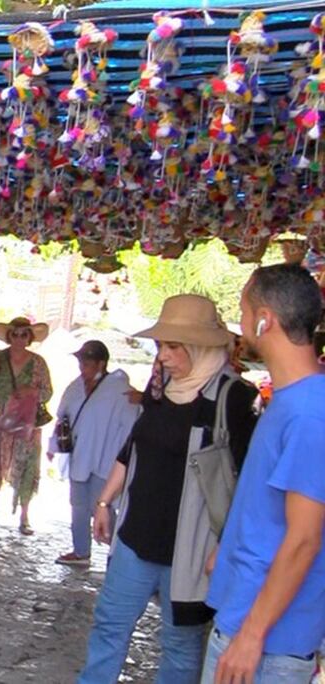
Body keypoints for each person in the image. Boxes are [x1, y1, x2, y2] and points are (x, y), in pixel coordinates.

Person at [78, 294, 259, 684]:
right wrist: (105, 502)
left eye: (174, 346)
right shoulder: (159, 388)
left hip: (192, 551)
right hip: (135, 538)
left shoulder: (233, 398)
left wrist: (226, 547)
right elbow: (132, 447)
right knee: (109, 628)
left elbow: (249, 483)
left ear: (203, 347)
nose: (163, 356)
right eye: (161, 346)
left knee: (180, 648)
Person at [202, 264, 325, 684]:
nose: (239, 321)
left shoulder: (311, 413)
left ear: (264, 319)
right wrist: (229, 545)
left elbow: (305, 538)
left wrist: (252, 635)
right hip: (248, 614)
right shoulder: (292, 399)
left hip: (266, 641)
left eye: (242, 308)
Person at [46, 340, 140, 567]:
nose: (82, 366)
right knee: (78, 504)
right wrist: (54, 444)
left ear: (101, 363)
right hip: (80, 455)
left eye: (87, 362)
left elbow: (129, 425)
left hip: (106, 457)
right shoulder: (76, 387)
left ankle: (120, 553)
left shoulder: (118, 389)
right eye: (81, 361)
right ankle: (81, 550)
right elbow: (64, 417)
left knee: (100, 505)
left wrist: (123, 457)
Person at [0, 316, 53, 535]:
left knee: (26, 462)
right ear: (9, 336)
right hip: (0, 415)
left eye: (24, 334)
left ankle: (24, 516)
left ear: (30, 337)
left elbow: (48, 392)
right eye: (15, 334)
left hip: (26, 417)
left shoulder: (38, 362)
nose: (19, 338)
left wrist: (32, 392)